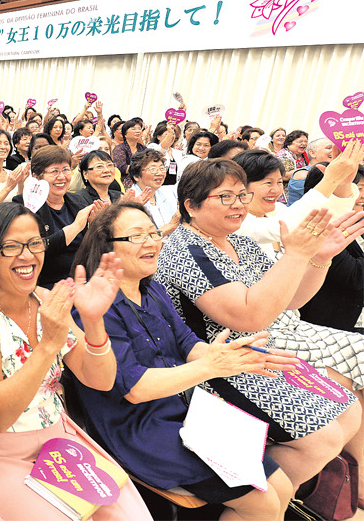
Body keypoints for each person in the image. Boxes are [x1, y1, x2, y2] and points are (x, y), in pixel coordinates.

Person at [71, 201, 299, 519]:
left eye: (153, 232)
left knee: (283, 488)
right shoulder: (94, 308)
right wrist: (209, 366)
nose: (152, 241)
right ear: (106, 248)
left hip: (191, 414)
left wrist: (231, 356)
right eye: (137, 236)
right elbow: (134, 388)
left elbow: (187, 343)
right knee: (262, 503)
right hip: (142, 429)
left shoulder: (153, 291)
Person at [155, 159, 364, 490]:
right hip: (214, 369)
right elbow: (248, 315)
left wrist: (318, 257)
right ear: (190, 206)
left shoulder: (238, 241)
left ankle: (285, 494)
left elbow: (290, 299)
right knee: (321, 438)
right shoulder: (187, 250)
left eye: (241, 195)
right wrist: (295, 256)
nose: (238, 204)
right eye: (225, 197)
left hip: (258, 354)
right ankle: (259, 499)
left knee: (348, 410)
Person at [0, 201, 152, 520]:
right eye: (11, 246)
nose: (27, 255)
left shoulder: (44, 298)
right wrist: (46, 348)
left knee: (129, 515)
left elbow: (100, 379)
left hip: (57, 441)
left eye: (34, 244)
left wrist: (93, 320)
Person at [16, 145, 104, 288]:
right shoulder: (24, 205)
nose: (62, 177)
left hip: (83, 280)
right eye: (54, 171)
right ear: (37, 177)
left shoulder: (79, 200)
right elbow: (38, 249)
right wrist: (75, 227)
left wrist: (94, 227)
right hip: (46, 284)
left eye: (65, 169)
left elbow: (92, 249)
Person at [298, 164, 364, 332]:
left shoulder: (355, 219)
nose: (360, 196)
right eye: (357, 189)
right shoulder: (315, 227)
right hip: (334, 328)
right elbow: (355, 276)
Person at [128, 149, 180, 236]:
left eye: (162, 168)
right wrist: (171, 226)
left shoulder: (168, 192)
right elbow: (142, 238)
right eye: (153, 169)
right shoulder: (131, 200)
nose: (159, 173)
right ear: (136, 176)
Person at [287, 138, 335, 205]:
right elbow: (320, 197)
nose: (334, 151)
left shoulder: (332, 173)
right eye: (329, 148)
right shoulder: (302, 174)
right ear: (312, 153)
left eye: (335, 148)